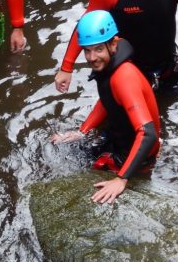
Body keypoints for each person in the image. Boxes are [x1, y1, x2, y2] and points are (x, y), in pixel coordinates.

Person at [51, 11, 161, 204]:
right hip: (118, 139)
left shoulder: (124, 77)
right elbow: (107, 100)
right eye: (87, 50)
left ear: (113, 44)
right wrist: (82, 131)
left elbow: (148, 133)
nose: (92, 57)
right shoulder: (111, 68)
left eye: (98, 49)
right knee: (62, 147)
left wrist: (122, 179)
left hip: (135, 157)